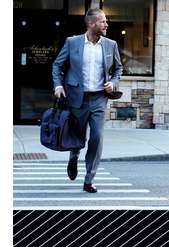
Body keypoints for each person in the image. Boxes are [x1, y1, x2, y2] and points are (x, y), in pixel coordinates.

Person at [52, 8, 123, 193]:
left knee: (97, 137)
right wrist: (58, 86)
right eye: (103, 21)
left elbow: (118, 68)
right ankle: (74, 157)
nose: (106, 24)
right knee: (77, 137)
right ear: (91, 24)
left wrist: (113, 83)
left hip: (99, 98)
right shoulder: (72, 42)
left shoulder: (110, 44)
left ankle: (89, 179)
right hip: (77, 98)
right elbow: (57, 65)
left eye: (106, 21)